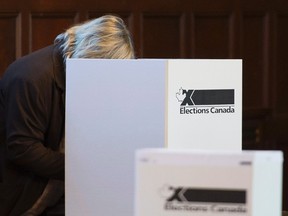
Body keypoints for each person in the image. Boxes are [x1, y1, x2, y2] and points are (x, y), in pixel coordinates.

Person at [0, 14, 135, 216]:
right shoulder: (30, 77)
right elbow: (22, 148)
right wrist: (85, 170)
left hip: (60, 192)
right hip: (23, 197)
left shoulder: (77, 71)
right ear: (92, 56)